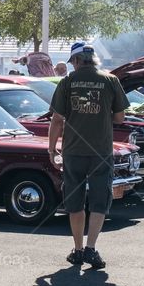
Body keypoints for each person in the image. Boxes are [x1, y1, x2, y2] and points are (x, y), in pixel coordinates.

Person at [48, 41, 129, 269]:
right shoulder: (110, 80)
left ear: (75, 61)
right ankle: (91, 248)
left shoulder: (67, 82)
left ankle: (77, 249)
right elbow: (120, 118)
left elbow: (57, 120)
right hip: (101, 151)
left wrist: (51, 148)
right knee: (99, 201)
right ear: (93, 59)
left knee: (74, 202)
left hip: (73, 152)